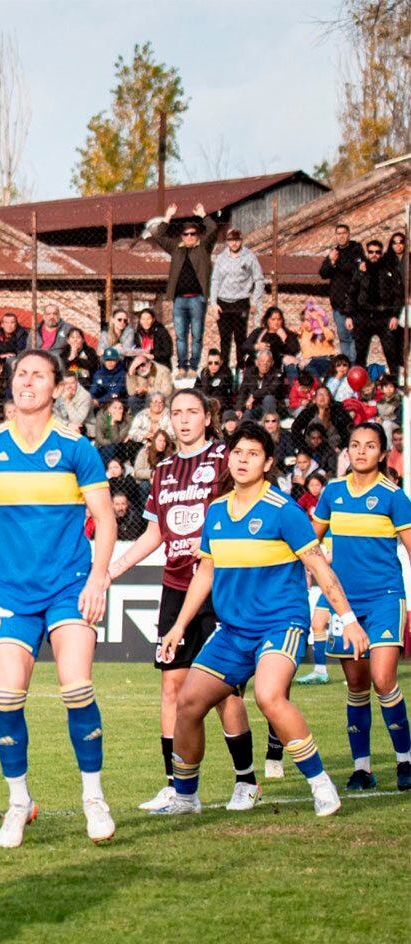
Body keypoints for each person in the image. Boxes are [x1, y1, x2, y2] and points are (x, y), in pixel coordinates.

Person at [156, 421, 366, 818]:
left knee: (269, 696)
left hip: (280, 625)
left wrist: (349, 618)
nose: (243, 460)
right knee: (187, 703)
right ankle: (185, 797)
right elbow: (205, 573)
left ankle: (321, 785)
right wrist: (178, 627)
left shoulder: (283, 511)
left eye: (253, 454)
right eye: (237, 452)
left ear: (268, 462)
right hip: (233, 631)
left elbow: (319, 568)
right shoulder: (216, 510)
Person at [0, 349, 117, 848]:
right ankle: (18, 802)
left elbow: (108, 521)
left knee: (76, 687)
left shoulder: (76, 448)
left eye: (38, 375)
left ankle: (93, 797)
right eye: (21, 374)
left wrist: (98, 579)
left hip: (69, 584)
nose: (27, 382)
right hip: (9, 588)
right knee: (6, 696)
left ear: (57, 388)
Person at [108, 389, 260, 811]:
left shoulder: (225, 462)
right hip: (175, 587)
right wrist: (115, 568)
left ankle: (246, 781)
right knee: (171, 685)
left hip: (220, 586)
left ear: (207, 419)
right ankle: (178, 787)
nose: (184, 419)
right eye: (177, 413)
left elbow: (242, 510)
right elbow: (155, 533)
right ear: (169, 421)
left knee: (224, 691)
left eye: (192, 411)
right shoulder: (163, 470)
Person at [310, 423, 411, 792]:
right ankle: (362, 768)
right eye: (355, 445)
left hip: (385, 598)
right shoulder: (333, 493)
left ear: (383, 454)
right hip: (346, 603)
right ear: (347, 452)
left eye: (370, 446)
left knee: (384, 680)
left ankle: (405, 761)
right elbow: (311, 544)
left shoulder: (393, 496)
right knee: (356, 685)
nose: (362, 451)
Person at [145, 203, 218, 376]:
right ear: (182, 236)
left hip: (197, 298)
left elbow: (213, 229)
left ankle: (193, 367)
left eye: (193, 234)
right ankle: (181, 367)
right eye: (186, 234)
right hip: (179, 299)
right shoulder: (176, 249)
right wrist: (168, 216)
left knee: (197, 335)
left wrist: (203, 214)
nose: (190, 237)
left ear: (197, 235)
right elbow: (158, 235)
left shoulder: (204, 248)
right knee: (180, 336)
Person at [346, 239, 405, 380]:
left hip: (384, 316)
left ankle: (394, 383)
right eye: (371, 252)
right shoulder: (360, 270)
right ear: (367, 253)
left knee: (391, 352)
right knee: (360, 354)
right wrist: (349, 315)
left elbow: (398, 295)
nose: (374, 255)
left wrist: (395, 316)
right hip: (363, 316)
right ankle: (359, 385)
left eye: (377, 252)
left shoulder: (389, 269)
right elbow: (352, 292)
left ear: (381, 252)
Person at [211, 228, 266, 371]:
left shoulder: (249, 257)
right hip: (223, 302)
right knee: (225, 339)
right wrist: (214, 303)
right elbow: (215, 280)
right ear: (227, 242)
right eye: (231, 240)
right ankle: (224, 371)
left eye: (237, 240)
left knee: (240, 338)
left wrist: (254, 301)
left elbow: (259, 280)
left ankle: (241, 368)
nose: (234, 243)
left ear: (241, 240)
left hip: (241, 302)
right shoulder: (221, 258)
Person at [318, 223, 365, 363]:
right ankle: (347, 367)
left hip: (354, 302)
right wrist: (331, 261)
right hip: (338, 303)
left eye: (344, 233)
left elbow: (354, 269)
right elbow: (323, 273)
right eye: (338, 233)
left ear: (349, 234)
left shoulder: (356, 249)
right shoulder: (334, 252)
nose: (341, 236)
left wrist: (336, 262)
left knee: (355, 337)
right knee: (344, 338)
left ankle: (354, 368)